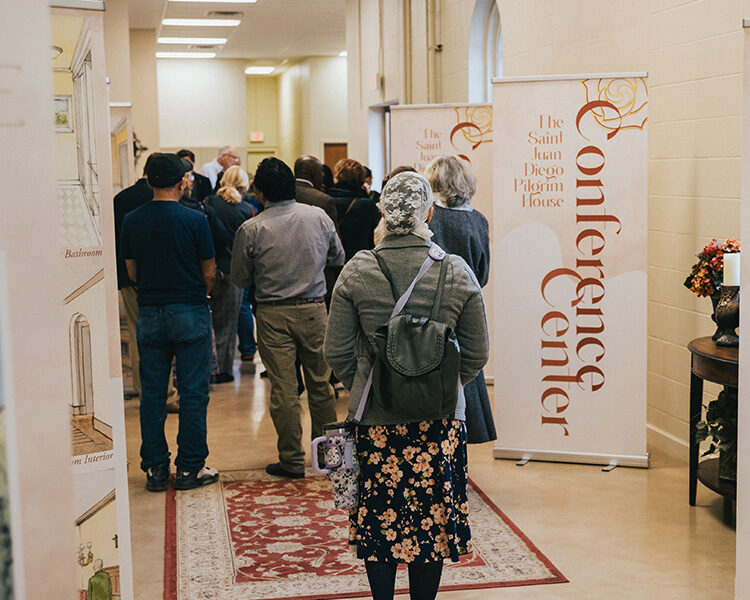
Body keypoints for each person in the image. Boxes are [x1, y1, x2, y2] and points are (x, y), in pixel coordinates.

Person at [324, 171, 489, 600]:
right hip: (438, 421)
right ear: (429, 213)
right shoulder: (455, 271)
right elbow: (476, 352)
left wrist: (369, 383)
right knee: (431, 521)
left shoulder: (358, 270)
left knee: (378, 518)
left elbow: (337, 350)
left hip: (375, 419)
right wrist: (439, 384)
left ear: (382, 214)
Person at [231, 158, 345, 478]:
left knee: (284, 389)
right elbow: (338, 257)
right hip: (314, 309)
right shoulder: (319, 217)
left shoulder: (251, 228)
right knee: (321, 386)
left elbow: (239, 278)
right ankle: (329, 458)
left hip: (273, 314)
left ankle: (292, 460)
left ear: (260, 191)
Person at [121, 153, 220, 492]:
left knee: (152, 395)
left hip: (150, 311)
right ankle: (191, 469)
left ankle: (155, 469)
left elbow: (132, 271)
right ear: (182, 182)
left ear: (147, 180)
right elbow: (209, 272)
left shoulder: (132, 220)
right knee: (193, 394)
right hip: (190, 309)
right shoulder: (195, 219)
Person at [424, 155, 496, 444]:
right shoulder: (477, 220)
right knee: (466, 375)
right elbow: (483, 273)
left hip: (430, 312)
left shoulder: (430, 219)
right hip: (468, 308)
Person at [113, 153, 179, 412]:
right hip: (166, 280)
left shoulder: (121, 199)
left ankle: (149, 394)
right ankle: (168, 393)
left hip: (131, 279)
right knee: (169, 337)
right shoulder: (170, 200)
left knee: (140, 334)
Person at [205, 165, 255, 383]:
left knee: (208, 322)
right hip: (235, 272)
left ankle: (207, 368)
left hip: (209, 269)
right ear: (244, 185)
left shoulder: (208, 203)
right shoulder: (247, 210)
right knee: (228, 323)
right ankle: (223, 370)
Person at [328, 158, 380, 262]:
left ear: (337, 175)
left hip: (333, 258)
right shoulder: (366, 204)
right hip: (360, 258)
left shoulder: (327, 200)